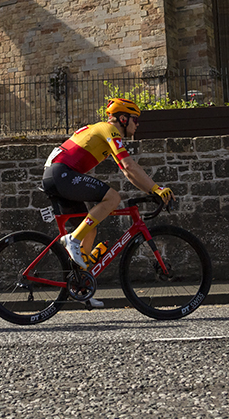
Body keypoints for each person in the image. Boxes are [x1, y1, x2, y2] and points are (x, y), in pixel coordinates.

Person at [41, 98, 174, 305]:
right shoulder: (109, 130)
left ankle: (81, 286)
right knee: (112, 197)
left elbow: (127, 172)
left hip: (57, 176)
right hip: (61, 174)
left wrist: (152, 190)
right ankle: (72, 240)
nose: (137, 124)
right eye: (135, 120)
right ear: (123, 119)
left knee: (89, 229)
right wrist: (157, 188)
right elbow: (129, 165)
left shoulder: (104, 133)